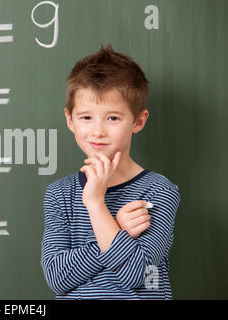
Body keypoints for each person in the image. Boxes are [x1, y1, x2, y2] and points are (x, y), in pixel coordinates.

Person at [41, 44, 181, 299]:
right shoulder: (58, 194)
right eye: (86, 117)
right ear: (70, 119)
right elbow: (57, 278)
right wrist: (118, 227)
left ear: (138, 121)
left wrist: (96, 205)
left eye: (112, 118)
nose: (97, 131)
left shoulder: (158, 191)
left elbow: (136, 273)